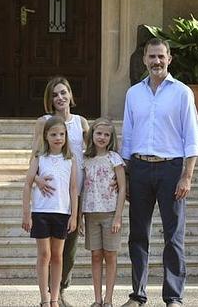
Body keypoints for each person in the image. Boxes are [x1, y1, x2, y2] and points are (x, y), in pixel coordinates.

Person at [120, 38, 198, 307]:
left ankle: (173, 297)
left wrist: (187, 175)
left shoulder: (182, 93)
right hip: (140, 168)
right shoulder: (134, 94)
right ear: (144, 60)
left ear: (169, 59)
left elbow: (192, 137)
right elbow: (128, 137)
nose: (156, 61)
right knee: (138, 236)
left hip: (171, 168)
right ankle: (137, 295)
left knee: (173, 236)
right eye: (152, 57)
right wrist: (127, 176)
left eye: (161, 56)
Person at [31, 76, 89, 307]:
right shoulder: (43, 122)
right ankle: (48, 295)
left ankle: (61, 289)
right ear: (50, 99)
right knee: (48, 250)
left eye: (64, 92)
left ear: (70, 95)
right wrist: (35, 179)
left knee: (70, 246)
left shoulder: (81, 122)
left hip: (76, 191)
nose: (60, 98)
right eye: (55, 94)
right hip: (50, 194)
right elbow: (33, 156)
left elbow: (95, 151)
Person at [22, 116, 79, 307]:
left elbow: (73, 189)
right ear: (46, 136)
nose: (58, 138)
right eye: (53, 134)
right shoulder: (39, 158)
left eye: (62, 134)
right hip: (41, 212)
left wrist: (73, 216)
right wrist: (26, 213)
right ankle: (44, 298)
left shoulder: (70, 160)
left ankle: (55, 298)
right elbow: (28, 184)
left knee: (57, 255)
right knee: (44, 254)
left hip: (62, 213)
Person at [80, 118, 126, 307]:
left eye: (107, 134)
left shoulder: (114, 158)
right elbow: (81, 188)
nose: (102, 137)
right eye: (99, 133)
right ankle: (97, 299)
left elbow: (122, 188)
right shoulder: (85, 159)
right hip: (91, 214)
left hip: (110, 214)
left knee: (110, 255)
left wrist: (118, 216)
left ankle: (108, 299)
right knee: (96, 255)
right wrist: (80, 217)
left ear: (111, 138)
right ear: (92, 135)